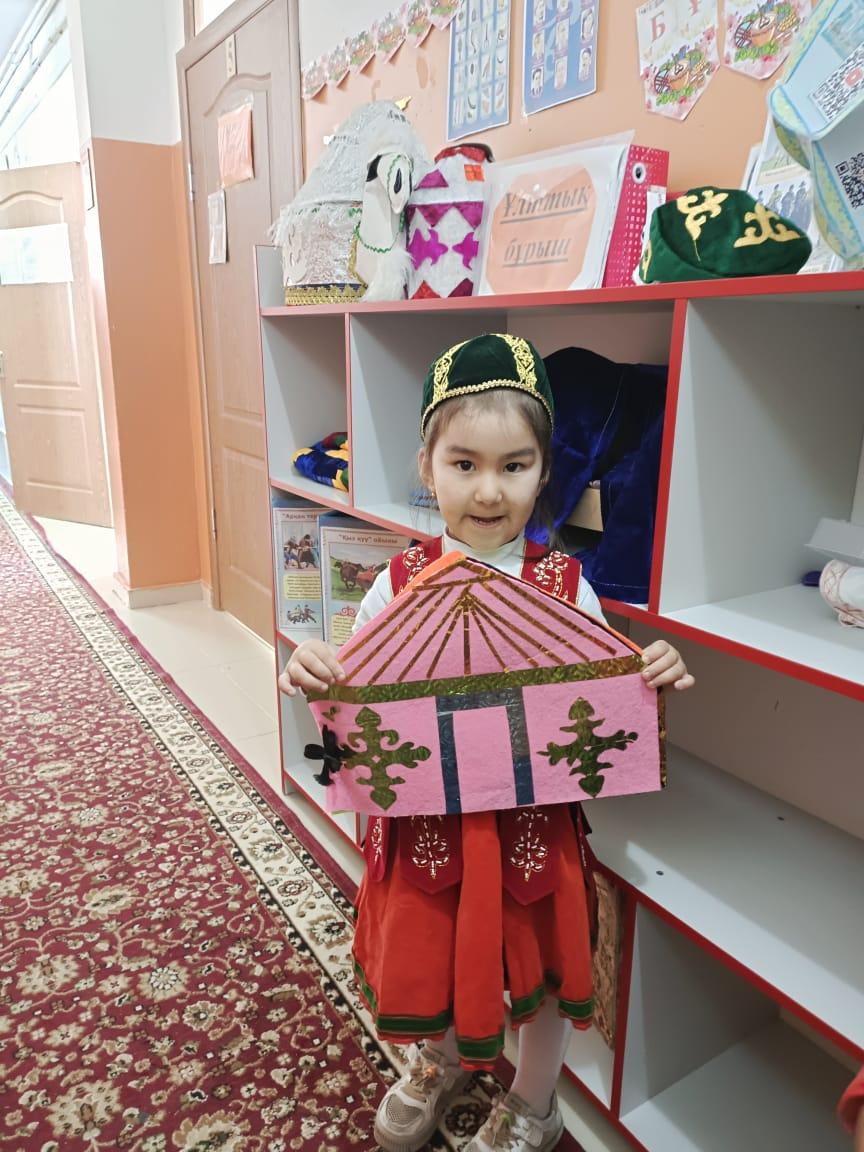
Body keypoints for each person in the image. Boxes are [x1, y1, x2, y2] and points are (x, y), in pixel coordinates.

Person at [279, 334, 694, 1152]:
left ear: (545, 472)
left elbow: (609, 700)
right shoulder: (395, 585)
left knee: (541, 968)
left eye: (515, 465)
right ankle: (438, 1062)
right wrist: (313, 666)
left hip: (534, 831)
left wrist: (651, 670)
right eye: (464, 464)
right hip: (430, 827)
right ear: (427, 466)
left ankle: (535, 1102)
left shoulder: (568, 588)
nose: (490, 490)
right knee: (435, 948)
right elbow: (352, 687)